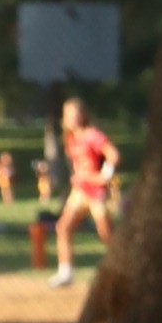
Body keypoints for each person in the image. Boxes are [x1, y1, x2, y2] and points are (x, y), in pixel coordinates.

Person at [51, 97, 119, 285]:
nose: (70, 118)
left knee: (106, 233)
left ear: (83, 115)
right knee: (63, 227)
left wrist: (105, 176)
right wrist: (77, 176)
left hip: (96, 192)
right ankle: (65, 272)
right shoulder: (71, 138)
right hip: (81, 190)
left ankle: (125, 267)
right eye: (67, 115)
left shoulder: (92, 135)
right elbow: (80, 163)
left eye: (74, 114)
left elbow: (113, 155)